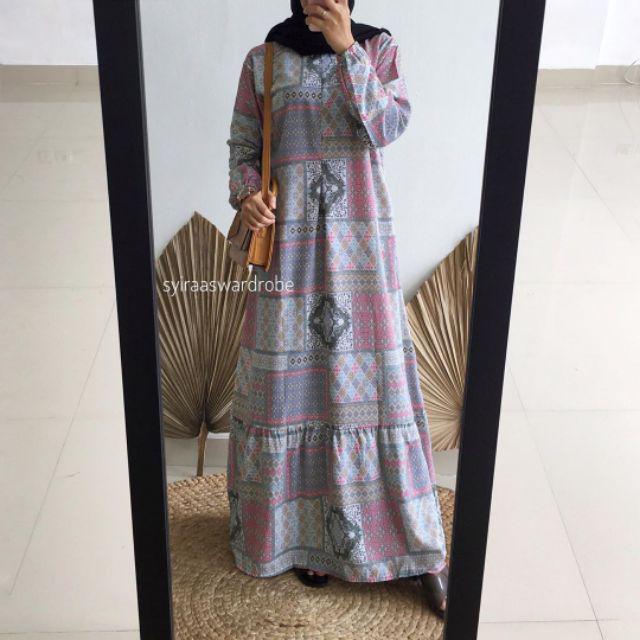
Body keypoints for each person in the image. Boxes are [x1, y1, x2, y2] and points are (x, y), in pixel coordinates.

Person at [226, 0, 449, 618]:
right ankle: (304, 537)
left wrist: (349, 50)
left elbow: (389, 126)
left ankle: (416, 546)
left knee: (373, 391)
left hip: (361, 248)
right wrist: (248, 197)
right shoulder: (264, 59)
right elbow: (243, 146)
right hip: (288, 251)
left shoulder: (377, 48)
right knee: (289, 390)